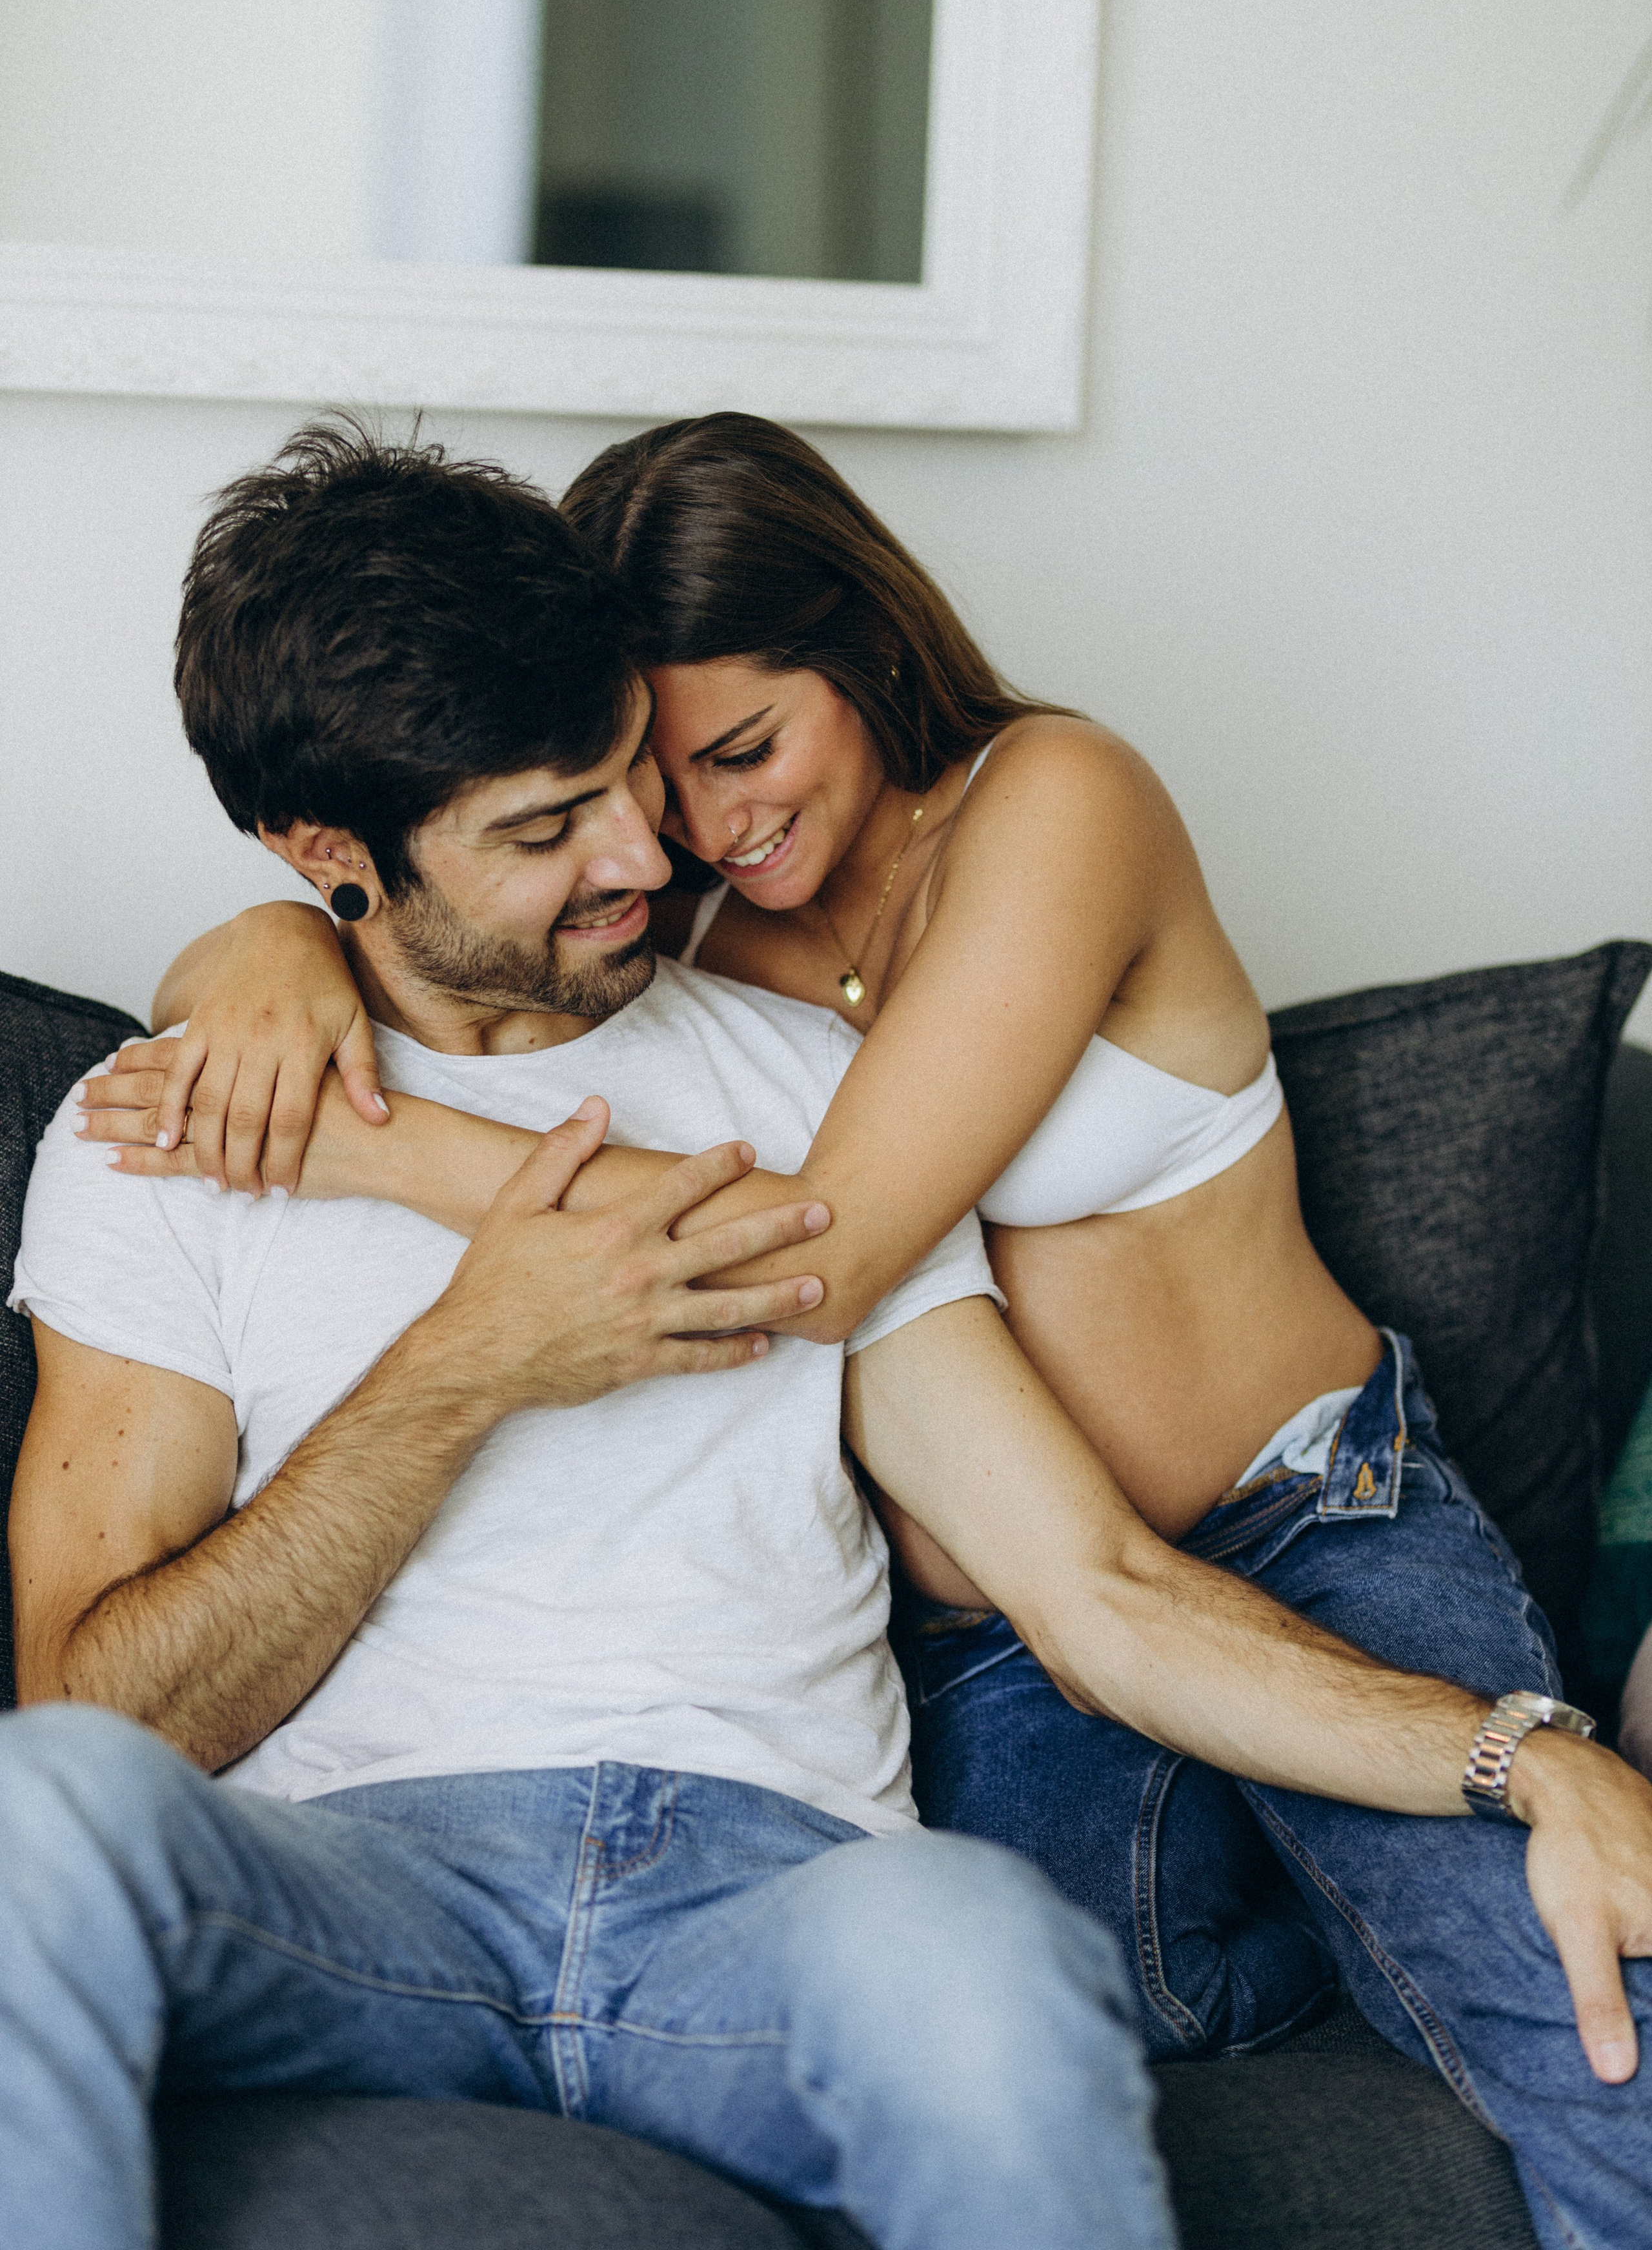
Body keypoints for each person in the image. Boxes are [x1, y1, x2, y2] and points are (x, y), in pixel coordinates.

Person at [76, 420, 1652, 2250]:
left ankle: (1561, 1710)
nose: (691, 836)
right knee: (1045, 2005)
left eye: (738, 753)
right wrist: (255, 958)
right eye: (643, 787)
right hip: (995, 1644)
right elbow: (442, 958)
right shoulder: (690, 946)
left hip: (1303, 1525)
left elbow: (809, 1272)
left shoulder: (1051, 802)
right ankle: (1319, 1888)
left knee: (1569, 2006)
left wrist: (368, 1145)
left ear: (869, 646)